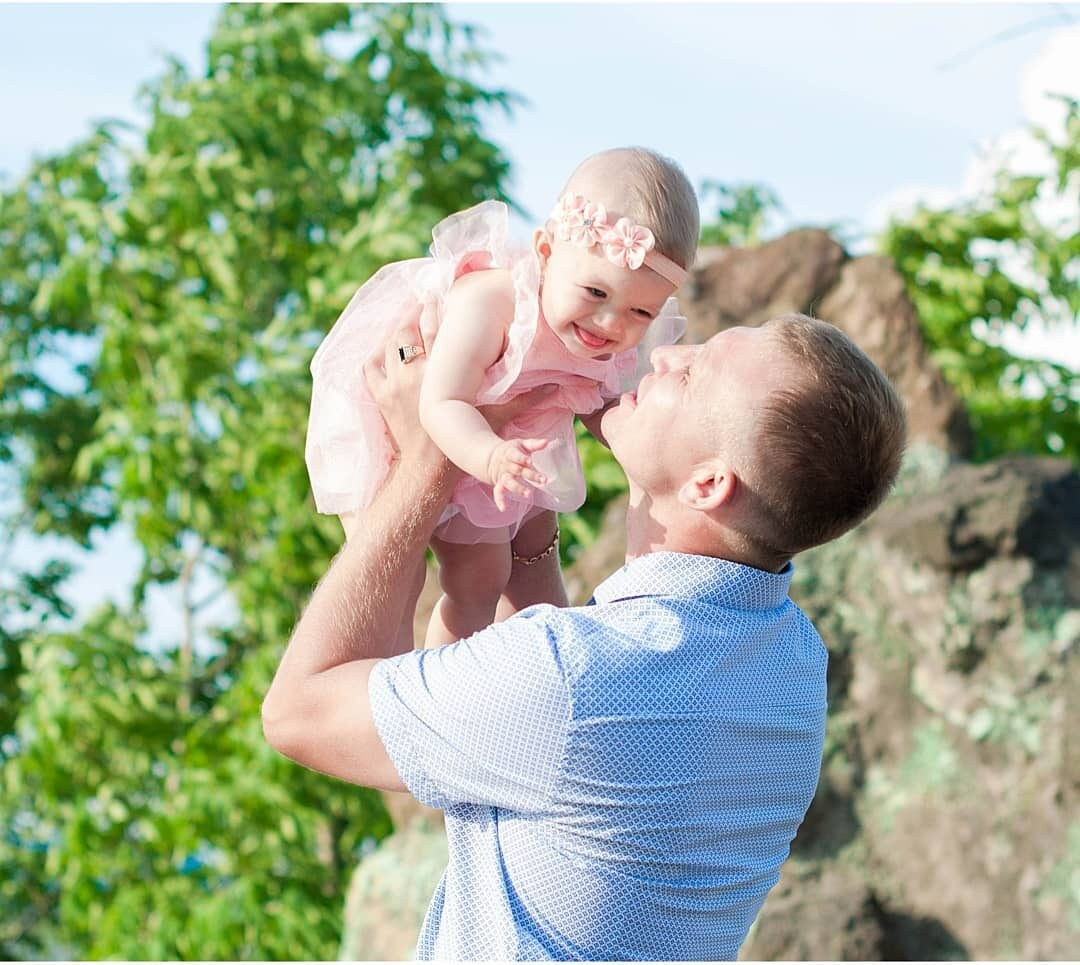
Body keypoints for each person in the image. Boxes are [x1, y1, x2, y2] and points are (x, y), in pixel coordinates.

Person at [263, 310, 907, 960]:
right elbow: (557, 749)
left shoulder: (580, 677)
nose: (662, 358)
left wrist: (429, 454)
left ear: (708, 484)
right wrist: (526, 515)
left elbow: (300, 711)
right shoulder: (788, 667)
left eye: (690, 375)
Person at [304, 147, 699, 646]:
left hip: (500, 454)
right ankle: (422, 684)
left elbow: (605, 404)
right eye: (595, 294)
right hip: (425, 432)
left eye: (640, 313)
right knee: (427, 578)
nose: (610, 324)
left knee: (488, 577)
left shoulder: (611, 330)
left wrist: (661, 449)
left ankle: (451, 679)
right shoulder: (493, 305)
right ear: (546, 252)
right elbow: (439, 403)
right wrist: (490, 456)